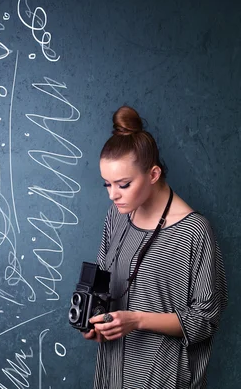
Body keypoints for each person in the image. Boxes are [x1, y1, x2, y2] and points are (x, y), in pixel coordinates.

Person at [82, 105, 228, 388]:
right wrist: (94, 320)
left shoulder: (195, 232)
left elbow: (206, 319)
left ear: (153, 174)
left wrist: (136, 321)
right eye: (107, 185)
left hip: (164, 377)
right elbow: (102, 282)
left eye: (123, 184)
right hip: (113, 374)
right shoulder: (118, 215)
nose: (113, 195)